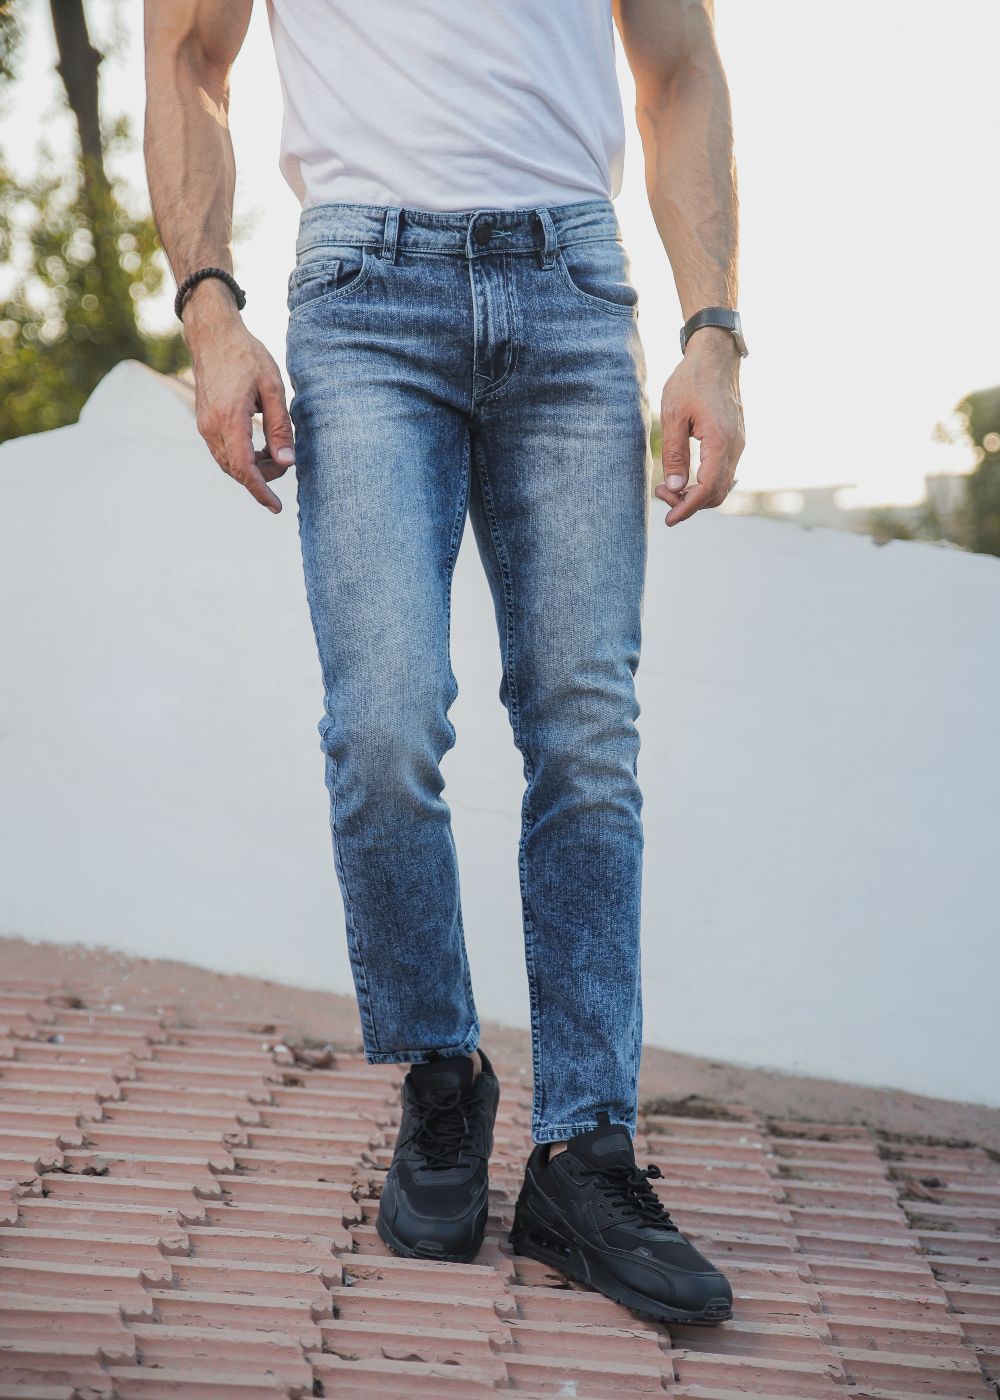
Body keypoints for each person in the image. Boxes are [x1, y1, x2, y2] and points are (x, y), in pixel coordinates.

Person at [143, 0, 745, 1325]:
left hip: (572, 285)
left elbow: (680, 65)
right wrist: (211, 314)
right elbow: (187, 55)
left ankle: (585, 1152)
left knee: (586, 733)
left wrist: (711, 330)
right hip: (363, 296)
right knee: (382, 723)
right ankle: (440, 1070)